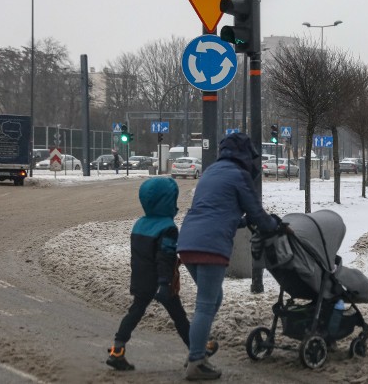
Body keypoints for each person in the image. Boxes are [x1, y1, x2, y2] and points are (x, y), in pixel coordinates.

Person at [177, 133, 280, 381]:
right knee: (204, 304)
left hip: (189, 240)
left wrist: (241, 221)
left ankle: (196, 350)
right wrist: (272, 225)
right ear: (246, 154)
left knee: (214, 298)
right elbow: (256, 213)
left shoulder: (211, 172)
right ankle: (196, 361)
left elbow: (218, 209)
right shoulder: (239, 175)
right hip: (211, 245)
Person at [106, 177, 218, 371]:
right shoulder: (167, 227)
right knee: (179, 317)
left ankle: (117, 349)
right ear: (168, 201)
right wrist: (165, 283)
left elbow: (140, 255)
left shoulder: (140, 224)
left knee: (135, 312)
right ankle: (196, 350)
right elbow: (164, 258)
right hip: (161, 281)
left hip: (141, 279)